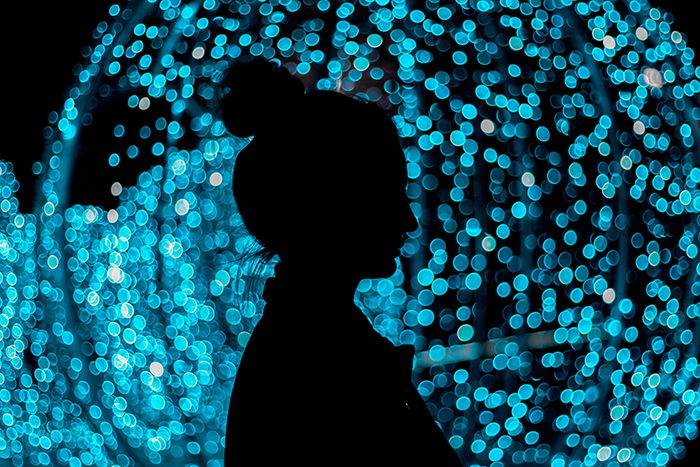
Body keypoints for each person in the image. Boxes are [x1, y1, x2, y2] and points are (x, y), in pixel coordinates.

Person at [219, 56, 461, 466]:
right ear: (333, 205)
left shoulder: (309, 343)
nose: (410, 220)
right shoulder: (325, 363)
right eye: (390, 195)